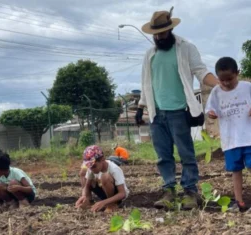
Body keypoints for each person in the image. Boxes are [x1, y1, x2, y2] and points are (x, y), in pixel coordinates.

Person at [135, 6, 219, 210]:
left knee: (186, 153)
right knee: (163, 156)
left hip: (180, 112)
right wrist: (141, 107)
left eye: (162, 33)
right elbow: (147, 82)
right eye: (156, 35)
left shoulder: (186, 48)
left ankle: (190, 192)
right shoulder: (150, 55)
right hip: (157, 114)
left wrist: (222, 85)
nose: (159, 37)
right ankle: (169, 191)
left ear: (170, 30)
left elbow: (201, 72)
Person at [205, 57, 251, 212]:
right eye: (222, 80)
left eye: (229, 79)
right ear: (218, 78)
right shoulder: (216, 92)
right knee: (235, 171)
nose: (226, 83)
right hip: (230, 140)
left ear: (237, 73)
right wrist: (211, 114)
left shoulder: (247, 87)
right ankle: (239, 202)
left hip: (248, 137)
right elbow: (211, 109)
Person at [75, 145, 129, 213]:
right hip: (104, 193)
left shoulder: (114, 169)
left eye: (94, 166)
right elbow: (87, 186)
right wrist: (84, 196)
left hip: (118, 197)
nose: (92, 169)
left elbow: (122, 193)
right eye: (89, 166)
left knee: (105, 177)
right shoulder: (91, 169)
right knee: (83, 173)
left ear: (102, 159)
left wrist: (104, 202)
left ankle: (111, 204)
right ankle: (89, 201)